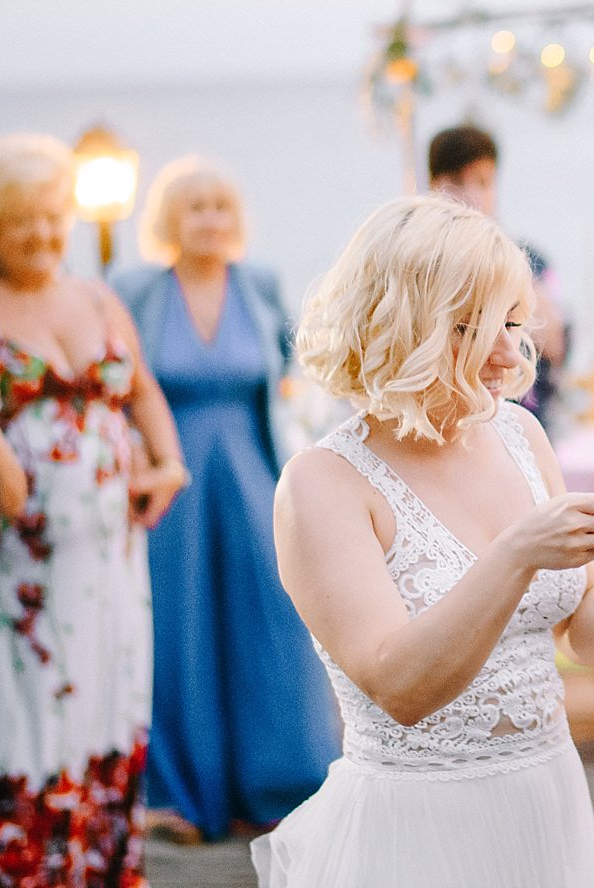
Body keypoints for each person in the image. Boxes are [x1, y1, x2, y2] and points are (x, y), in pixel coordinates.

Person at [251, 195, 594, 887]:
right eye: (477, 328)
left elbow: (582, 629)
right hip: (417, 823)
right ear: (406, 328)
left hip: (545, 797)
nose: (511, 354)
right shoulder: (322, 484)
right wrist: (516, 553)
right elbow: (400, 686)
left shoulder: (520, 435)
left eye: (515, 323)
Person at [111, 157, 339, 844]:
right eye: (194, 207)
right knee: (177, 634)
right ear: (168, 220)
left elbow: (300, 375)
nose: (209, 219)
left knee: (269, 624)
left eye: (219, 206)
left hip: (250, 478)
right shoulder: (135, 288)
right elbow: (117, 383)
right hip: (170, 488)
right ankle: (177, 795)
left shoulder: (261, 284)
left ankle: (278, 783)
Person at [0, 132, 186, 883]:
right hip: (23, 571)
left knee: (110, 700)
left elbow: (140, 390)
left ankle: (101, 867)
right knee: (34, 718)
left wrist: (167, 463)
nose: (42, 235)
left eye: (51, 217)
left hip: (111, 558)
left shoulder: (97, 296)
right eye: (21, 222)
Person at [428, 124, 570, 428]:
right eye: (457, 182)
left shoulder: (528, 260)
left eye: (482, 182)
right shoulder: (422, 264)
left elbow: (555, 344)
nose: (471, 195)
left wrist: (500, 248)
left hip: (523, 419)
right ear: (434, 185)